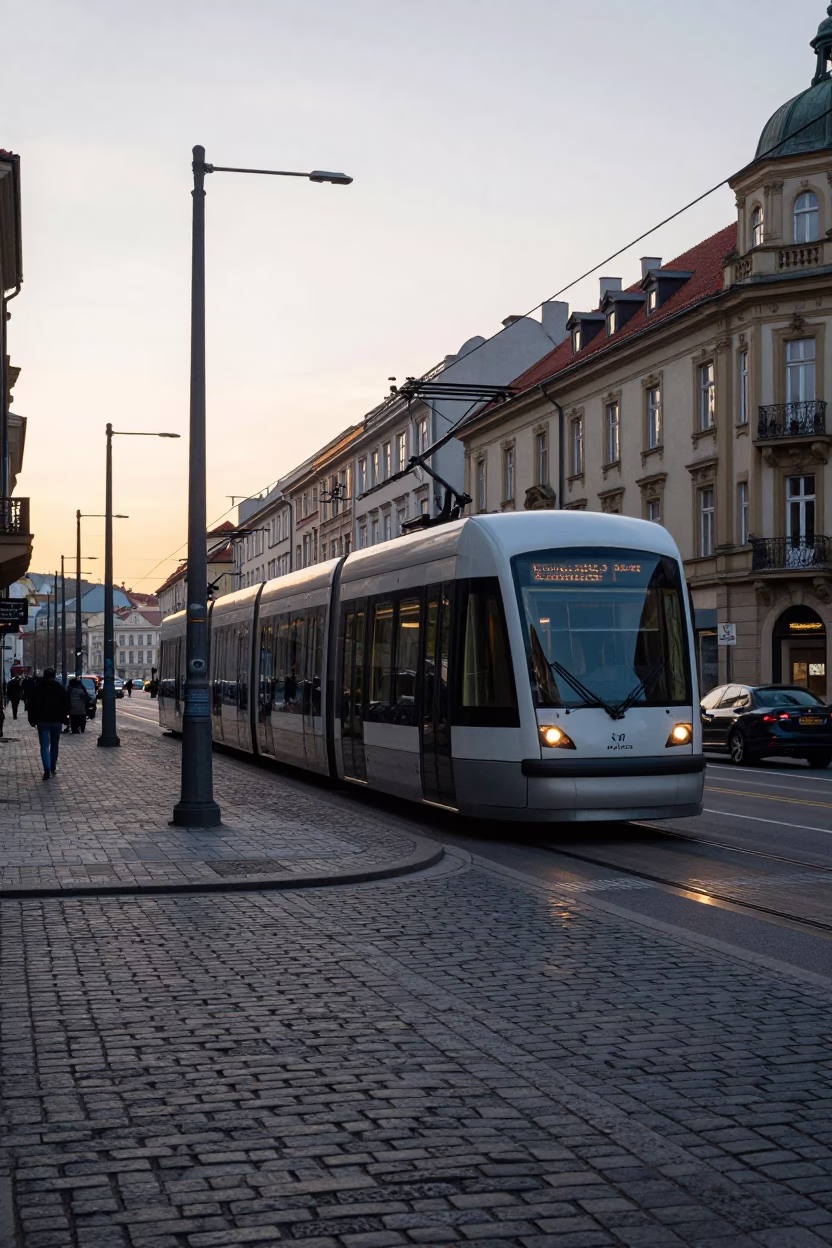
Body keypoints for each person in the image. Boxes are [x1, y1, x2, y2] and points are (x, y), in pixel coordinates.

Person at [28, 667, 70, 780]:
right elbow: (66, 704)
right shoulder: (60, 688)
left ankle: (46, 769)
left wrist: (31, 719)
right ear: (54, 676)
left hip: (42, 720)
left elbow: (31, 704)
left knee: (44, 746)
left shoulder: (38, 687)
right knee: (55, 744)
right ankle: (52, 766)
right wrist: (64, 717)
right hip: (57, 720)